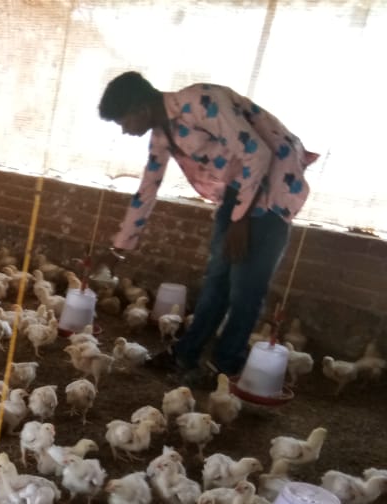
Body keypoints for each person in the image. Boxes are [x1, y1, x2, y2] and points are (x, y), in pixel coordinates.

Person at [98, 71, 317, 388]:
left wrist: (240, 221)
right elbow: (148, 187)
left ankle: (224, 368)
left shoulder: (201, 101)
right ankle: (185, 354)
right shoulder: (162, 134)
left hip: (273, 189)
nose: (124, 129)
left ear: (139, 108)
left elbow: (258, 153)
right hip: (239, 190)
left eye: (123, 121)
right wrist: (121, 244)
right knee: (217, 278)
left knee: (245, 286)